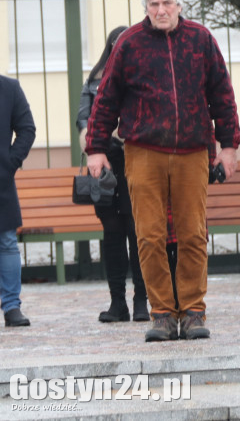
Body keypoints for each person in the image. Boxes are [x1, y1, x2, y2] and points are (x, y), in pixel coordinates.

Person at [86, 0, 240, 342]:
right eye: (154, 5)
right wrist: (95, 147)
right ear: (146, 9)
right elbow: (105, 98)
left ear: (179, 6)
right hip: (143, 151)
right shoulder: (129, 44)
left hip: (191, 152)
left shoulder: (201, 40)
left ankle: (193, 311)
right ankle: (161, 314)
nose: (160, 10)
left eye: (166, 4)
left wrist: (229, 145)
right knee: (149, 235)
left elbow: (223, 94)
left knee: (192, 234)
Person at [77, 26, 150, 323]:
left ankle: (143, 301)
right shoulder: (95, 81)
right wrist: (97, 138)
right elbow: (84, 118)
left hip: (137, 161)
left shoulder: (144, 75)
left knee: (139, 232)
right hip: (105, 163)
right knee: (113, 234)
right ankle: (117, 302)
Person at [1, 73, 35, 327]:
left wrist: (9, 165)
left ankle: (12, 306)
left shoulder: (9, 88)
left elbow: (27, 129)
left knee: (7, 242)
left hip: (1, 181)